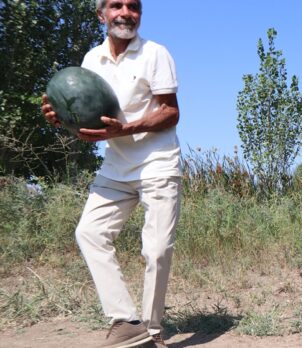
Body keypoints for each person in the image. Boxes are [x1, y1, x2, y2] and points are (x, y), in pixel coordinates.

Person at [41, 1, 180, 347]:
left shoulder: (155, 53)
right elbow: (86, 121)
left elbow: (171, 112)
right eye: (116, 5)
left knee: (158, 249)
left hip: (157, 163)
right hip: (116, 167)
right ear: (101, 14)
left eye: (133, 7)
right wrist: (62, 118)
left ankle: (151, 333)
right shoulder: (91, 61)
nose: (125, 12)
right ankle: (125, 320)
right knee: (89, 232)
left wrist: (126, 128)